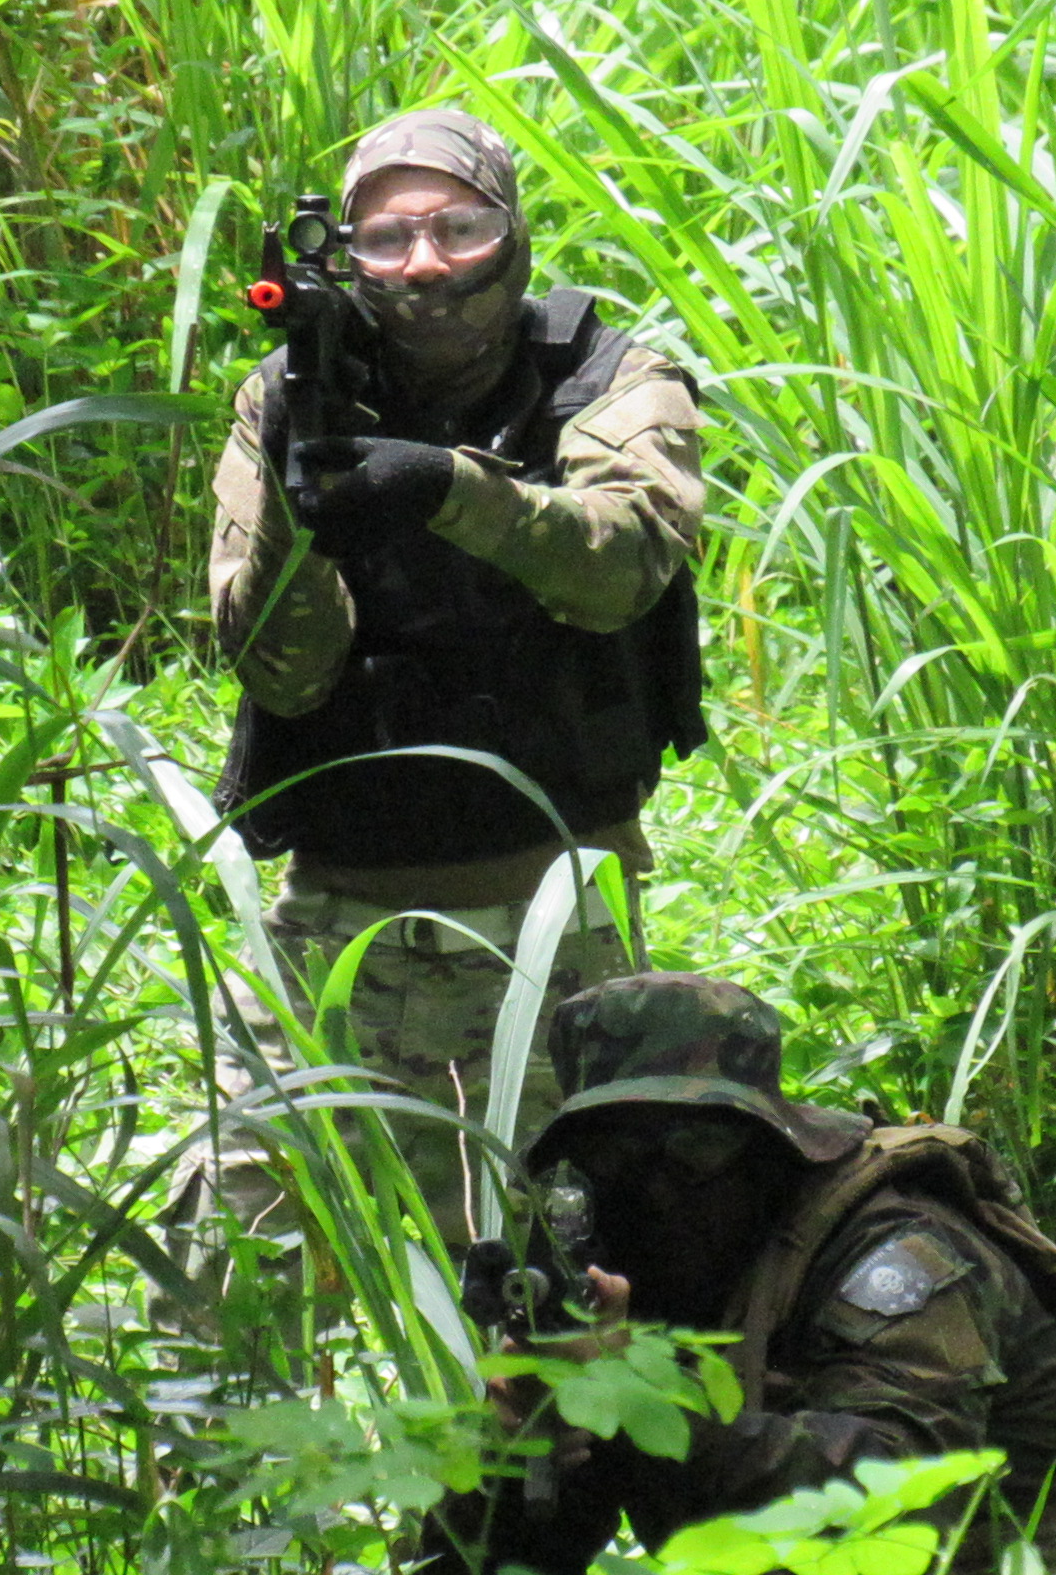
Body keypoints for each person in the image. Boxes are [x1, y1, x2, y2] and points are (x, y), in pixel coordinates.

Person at [201, 109, 708, 1241]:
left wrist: (445, 488)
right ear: (348, 255)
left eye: (458, 228)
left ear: (510, 232)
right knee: (234, 1264)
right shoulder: (285, 396)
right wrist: (300, 499)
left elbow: (620, 567)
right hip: (331, 926)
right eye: (388, 240)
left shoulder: (609, 379)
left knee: (542, 1283)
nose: (425, 264)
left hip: (551, 928)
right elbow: (282, 674)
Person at [426, 973, 1056, 1575]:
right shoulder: (619, 1276)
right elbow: (482, 1563)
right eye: (616, 1155)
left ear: (769, 1147)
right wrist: (518, 1444)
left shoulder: (898, 1251)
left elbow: (890, 1498)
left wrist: (641, 1404)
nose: (657, 1187)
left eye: (696, 1146)